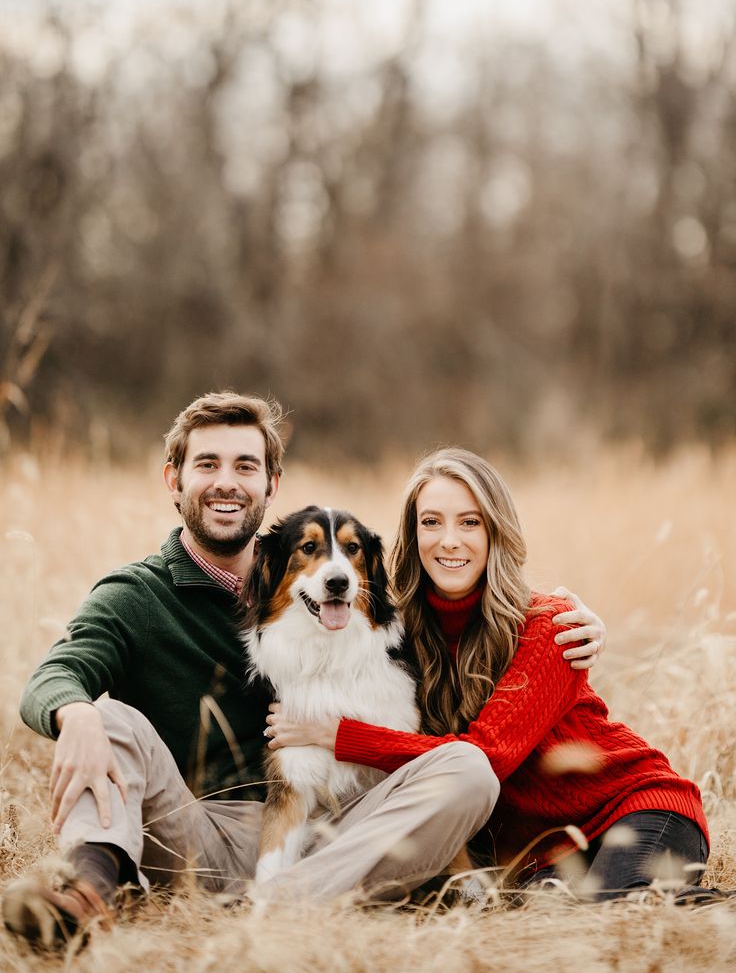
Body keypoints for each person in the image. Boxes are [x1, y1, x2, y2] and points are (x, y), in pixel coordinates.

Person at [2, 399, 605, 949]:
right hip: (197, 831)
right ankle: (83, 895)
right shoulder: (136, 596)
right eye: (207, 463)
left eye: (245, 465)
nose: (226, 482)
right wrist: (73, 711)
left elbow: (454, 601)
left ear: (271, 484)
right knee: (105, 715)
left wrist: (564, 617)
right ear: (174, 479)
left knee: (469, 768)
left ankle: (279, 909)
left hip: (342, 840)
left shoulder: (349, 611)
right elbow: (56, 673)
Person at [265, 447, 710, 901]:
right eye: (432, 522)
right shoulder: (397, 630)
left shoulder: (546, 624)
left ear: (496, 530)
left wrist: (338, 735)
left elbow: (483, 759)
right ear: (413, 533)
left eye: (470, 522)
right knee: (552, 925)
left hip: (635, 809)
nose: (449, 540)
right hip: (545, 854)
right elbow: (284, 606)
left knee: (621, 910)